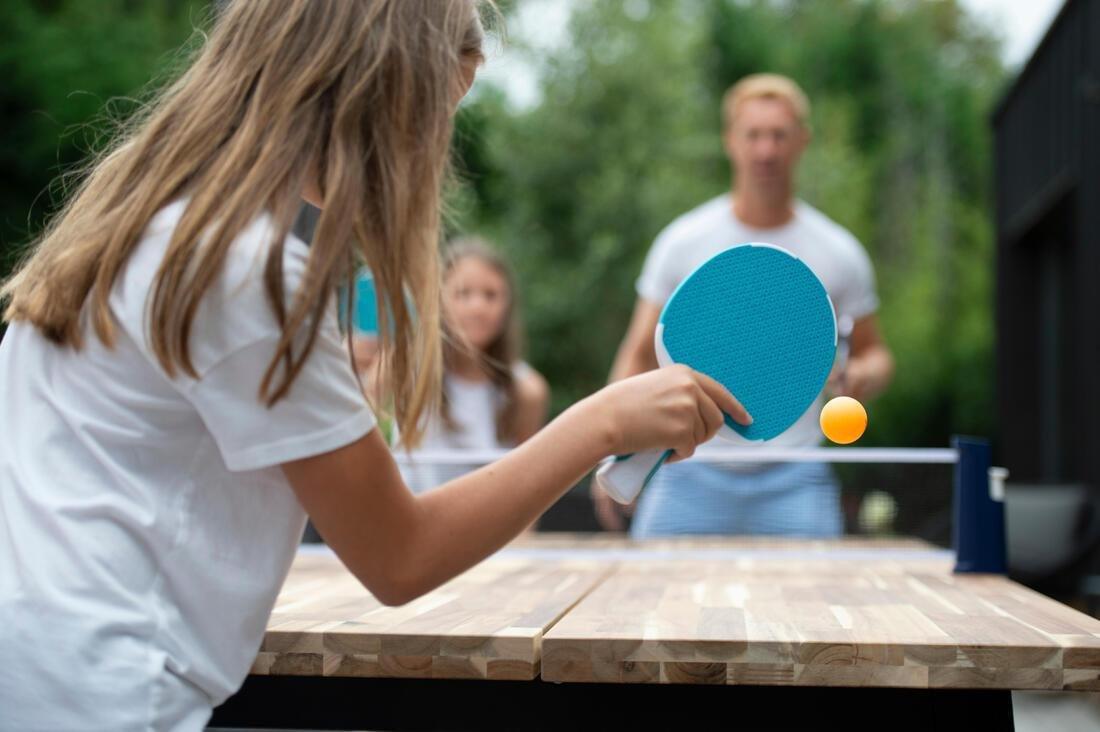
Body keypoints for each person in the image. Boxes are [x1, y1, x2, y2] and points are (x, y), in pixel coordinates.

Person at [0, 2, 749, 728]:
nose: (434, 148)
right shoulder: (246, 274)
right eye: (437, 112)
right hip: (108, 693)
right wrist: (603, 420)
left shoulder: (146, 226)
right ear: (377, 92)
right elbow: (399, 556)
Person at [593, 73, 894, 538]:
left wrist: (862, 375)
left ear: (802, 142)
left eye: (779, 135)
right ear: (731, 141)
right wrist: (607, 447)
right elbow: (637, 354)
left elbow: (877, 353)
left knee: (819, 607)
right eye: (753, 135)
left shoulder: (840, 252)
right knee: (649, 604)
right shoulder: (682, 242)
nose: (766, 150)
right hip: (688, 469)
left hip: (797, 476)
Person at [390, 237, 549, 493]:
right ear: (438, 300)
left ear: (508, 304)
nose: (478, 307)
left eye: (491, 295)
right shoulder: (407, 372)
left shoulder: (527, 391)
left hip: (493, 529)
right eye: (463, 293)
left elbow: (529, 487)